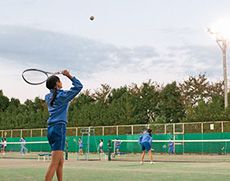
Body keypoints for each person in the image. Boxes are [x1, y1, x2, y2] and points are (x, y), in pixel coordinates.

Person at [44, 70, 83, 181]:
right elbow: (79, 86)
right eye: (60, 80)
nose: (62, 82)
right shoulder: (62, 96)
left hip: (51, 129)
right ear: (57, 84)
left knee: (60, 162)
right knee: (54, 163)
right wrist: (68, 75)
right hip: (59, 128)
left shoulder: (47, 97)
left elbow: (54, 94)